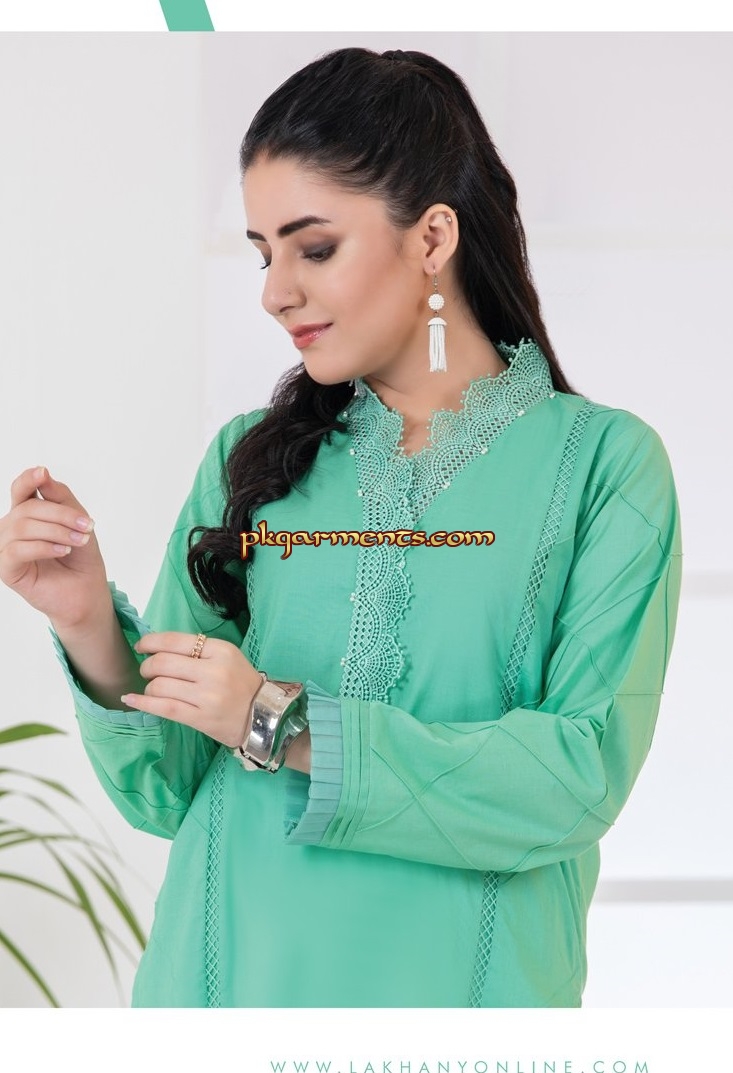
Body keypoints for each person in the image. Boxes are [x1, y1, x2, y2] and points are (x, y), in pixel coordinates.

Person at [0, 47, 682, 1008]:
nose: (274, 290)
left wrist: (278, 719)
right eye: (262, 252)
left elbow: (574, 779)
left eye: (312, 248)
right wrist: (85, 623)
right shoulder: (250, 459)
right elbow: (162, 788)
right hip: (218, 995)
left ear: (432, 236)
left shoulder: (603, 466)